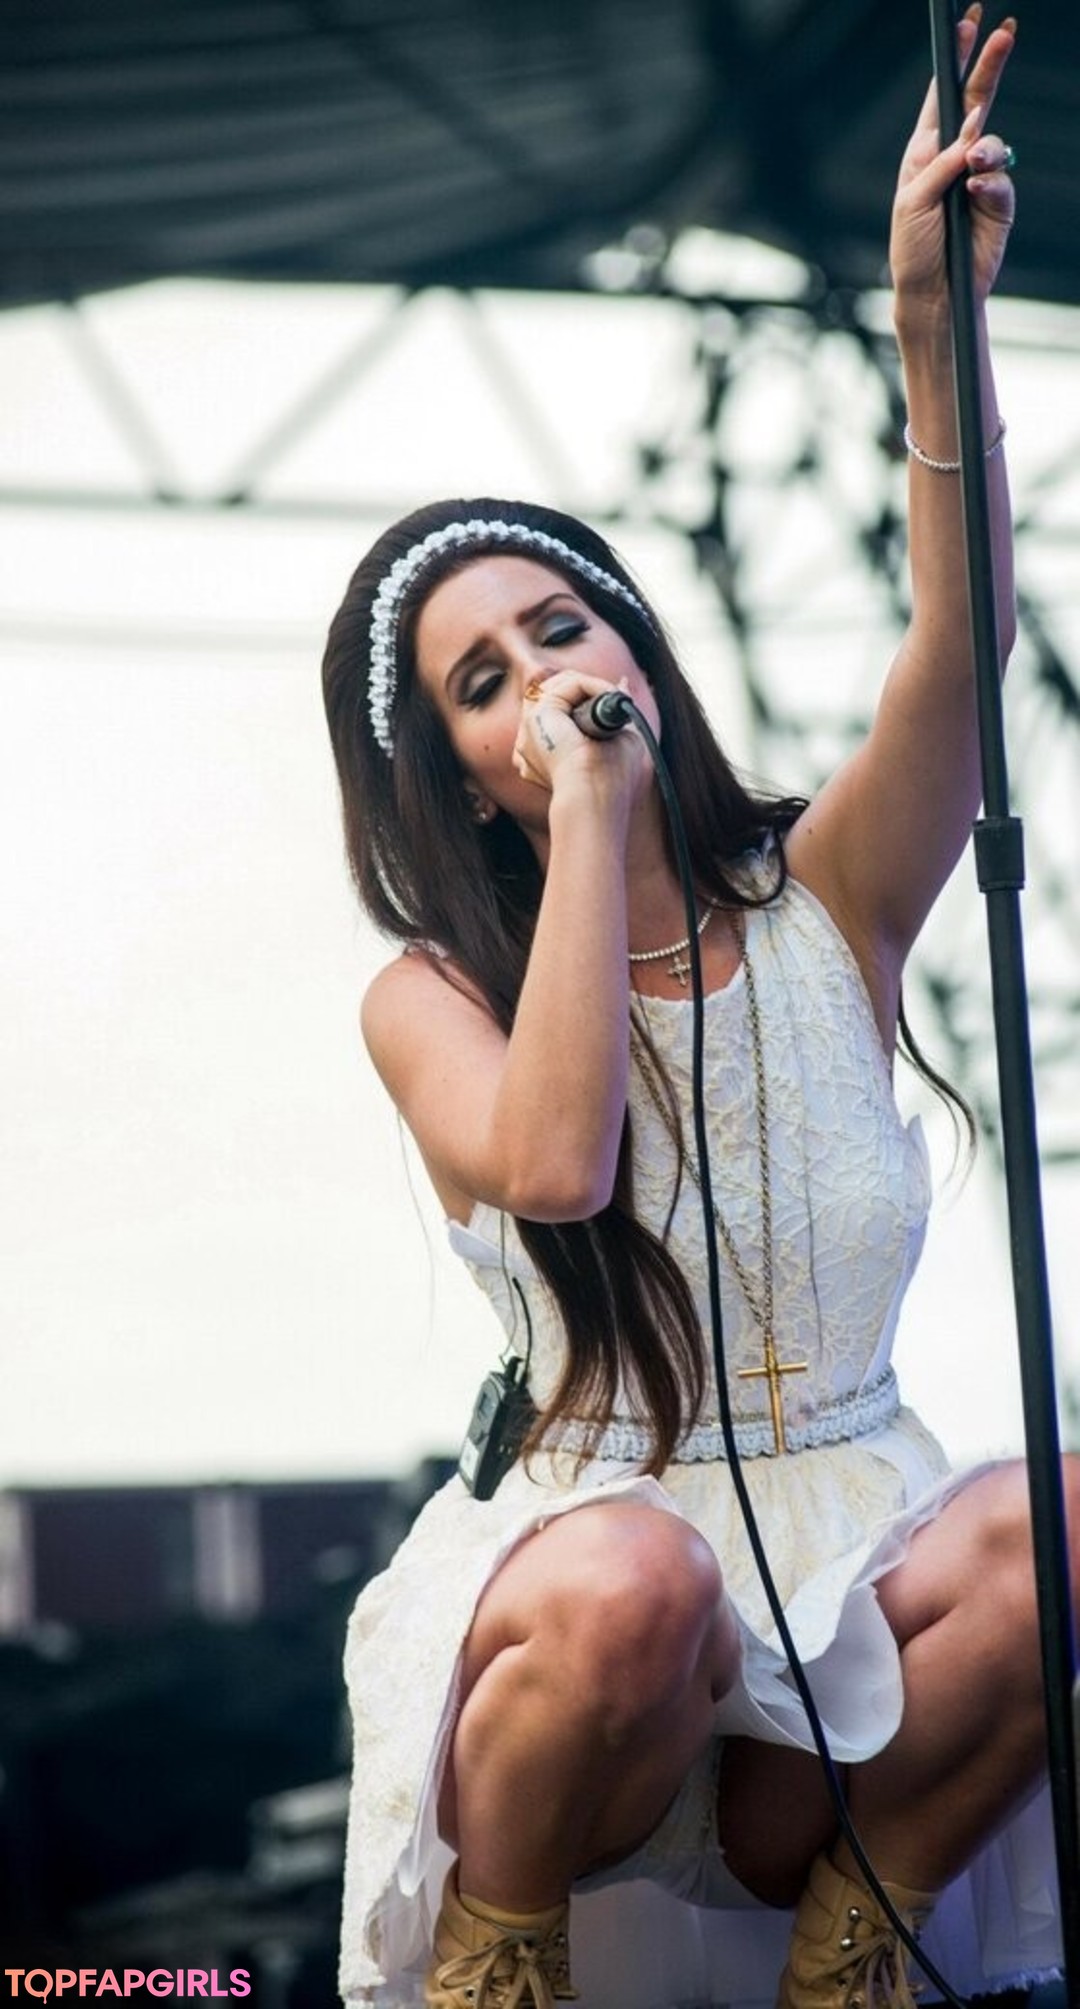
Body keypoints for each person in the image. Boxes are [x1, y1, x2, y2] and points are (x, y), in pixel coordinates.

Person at [321, 11, 1076, 2006]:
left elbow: (961, 637)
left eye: (559, 627)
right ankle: (501, 1970)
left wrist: (933, 334)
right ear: (457, 775)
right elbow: (558, 1159)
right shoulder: (427, 996)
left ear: (639, 648)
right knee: (644, 1579)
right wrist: (589, 817)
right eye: (482, 681)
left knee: (1074, 1519)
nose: (542, 680)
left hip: (850, 1578)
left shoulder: (828, 895)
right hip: (594, 1617)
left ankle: (857, 1939)